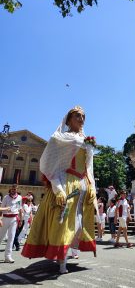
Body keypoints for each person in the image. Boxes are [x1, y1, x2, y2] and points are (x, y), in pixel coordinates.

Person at [21, 106, 97, 274]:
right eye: (77, 116)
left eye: (83, 116)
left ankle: (66, 254)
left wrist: (91, 184)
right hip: (66, 182)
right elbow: (48, 164)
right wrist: (58, 188)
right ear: (69, 119)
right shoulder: (60, 138)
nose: (81, 119)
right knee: (63, 223)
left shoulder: (86, 140)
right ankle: (61, 260)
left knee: (78, 225)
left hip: (82, 185)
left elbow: (89, 166)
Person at [0, 184, 23, 263]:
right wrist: (1, 217)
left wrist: (21, 220)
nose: (14, 190)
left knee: (11, 237)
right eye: (13, 189)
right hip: (5, 218)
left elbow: (20, 209)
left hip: (14, 219)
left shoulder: (19, 198)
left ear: (17, 189)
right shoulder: (6, 197)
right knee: (1, 236)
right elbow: (1, 209)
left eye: (15, 189)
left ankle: (8, 256)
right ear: (11, 189)